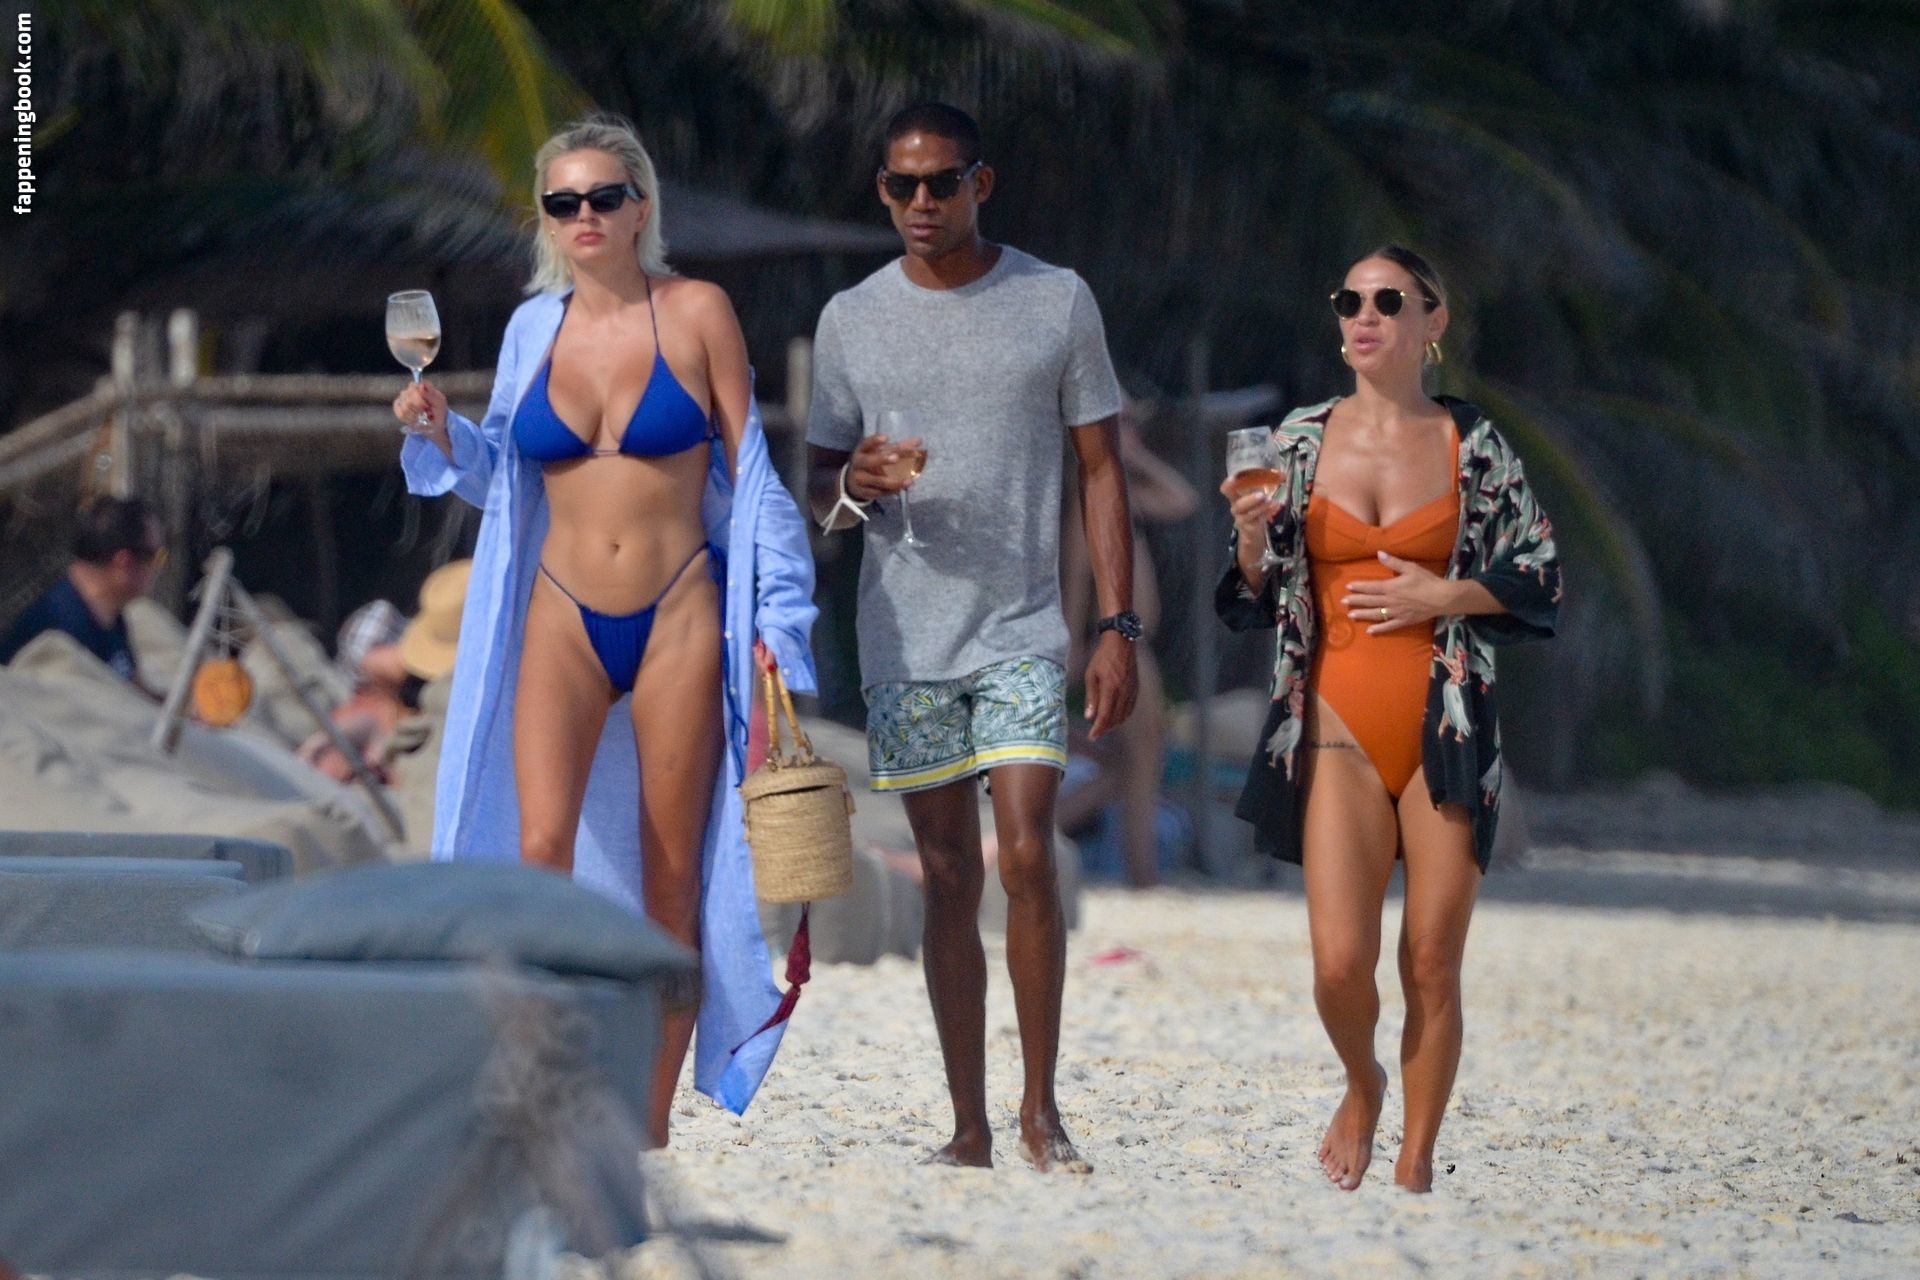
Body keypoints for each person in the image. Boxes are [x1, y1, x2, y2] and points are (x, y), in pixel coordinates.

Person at [392, 115, 819, 1145]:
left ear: (640, 209)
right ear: (547, 220)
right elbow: (505, 481)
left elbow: (753, 475)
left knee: (671, 870)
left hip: (678, 611)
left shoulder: (698, 310)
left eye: (603, 198)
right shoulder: (530, 331)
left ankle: (649, 1117)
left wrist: (781, 621)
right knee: (537, 853)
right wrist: (445, 434)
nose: (584, 216)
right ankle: (538, 1082)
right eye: (562, 202)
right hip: (559, 614)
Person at [805, 103, 1138, 1172]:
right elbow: (819, 491)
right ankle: (970, 1125)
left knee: (1027, 851)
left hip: (1023, 626)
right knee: (949, 873)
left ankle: (1042, 1111)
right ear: (881, 190)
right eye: (900, 185)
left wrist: (1117, 625)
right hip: (903, 636)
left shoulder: (1055, 300)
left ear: (980, 185)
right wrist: (855, 485)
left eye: (941, 182)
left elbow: (1101, 468)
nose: (921, 202)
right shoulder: (851, 318)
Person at [1216, 245, 1561, 1193]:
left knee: (1433, 963)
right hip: (1335, 726)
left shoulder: (1474, 444)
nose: (1364, 316)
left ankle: (1415, 1163)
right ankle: (1363, 1081)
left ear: (1432, 321)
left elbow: (1540, 575)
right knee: (1339, 967)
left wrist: (1446, 594)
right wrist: (1248, 539)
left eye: (1387, 301)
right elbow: (1254, 593)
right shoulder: (1297, 441)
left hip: (1448, 730)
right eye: (1349, 301)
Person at [1059, 396, 1199, 886]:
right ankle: (1142, 877)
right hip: (1116, 644)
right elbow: (1076, 580)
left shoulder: (1127, 496)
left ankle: (1137, 872)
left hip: (1137, 644)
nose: (1129, 431)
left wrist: (1133, 455)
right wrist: (1073, 645)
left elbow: (1183, 499)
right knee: (1138, 761)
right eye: (1118, 423)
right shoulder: (1088, 502)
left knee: (1134, 764)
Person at [0, 496, 164, 696]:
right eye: (156, 557)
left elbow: (137, 691)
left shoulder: (112, 617)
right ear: (124, 561)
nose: (158, 568)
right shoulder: (56, 631)